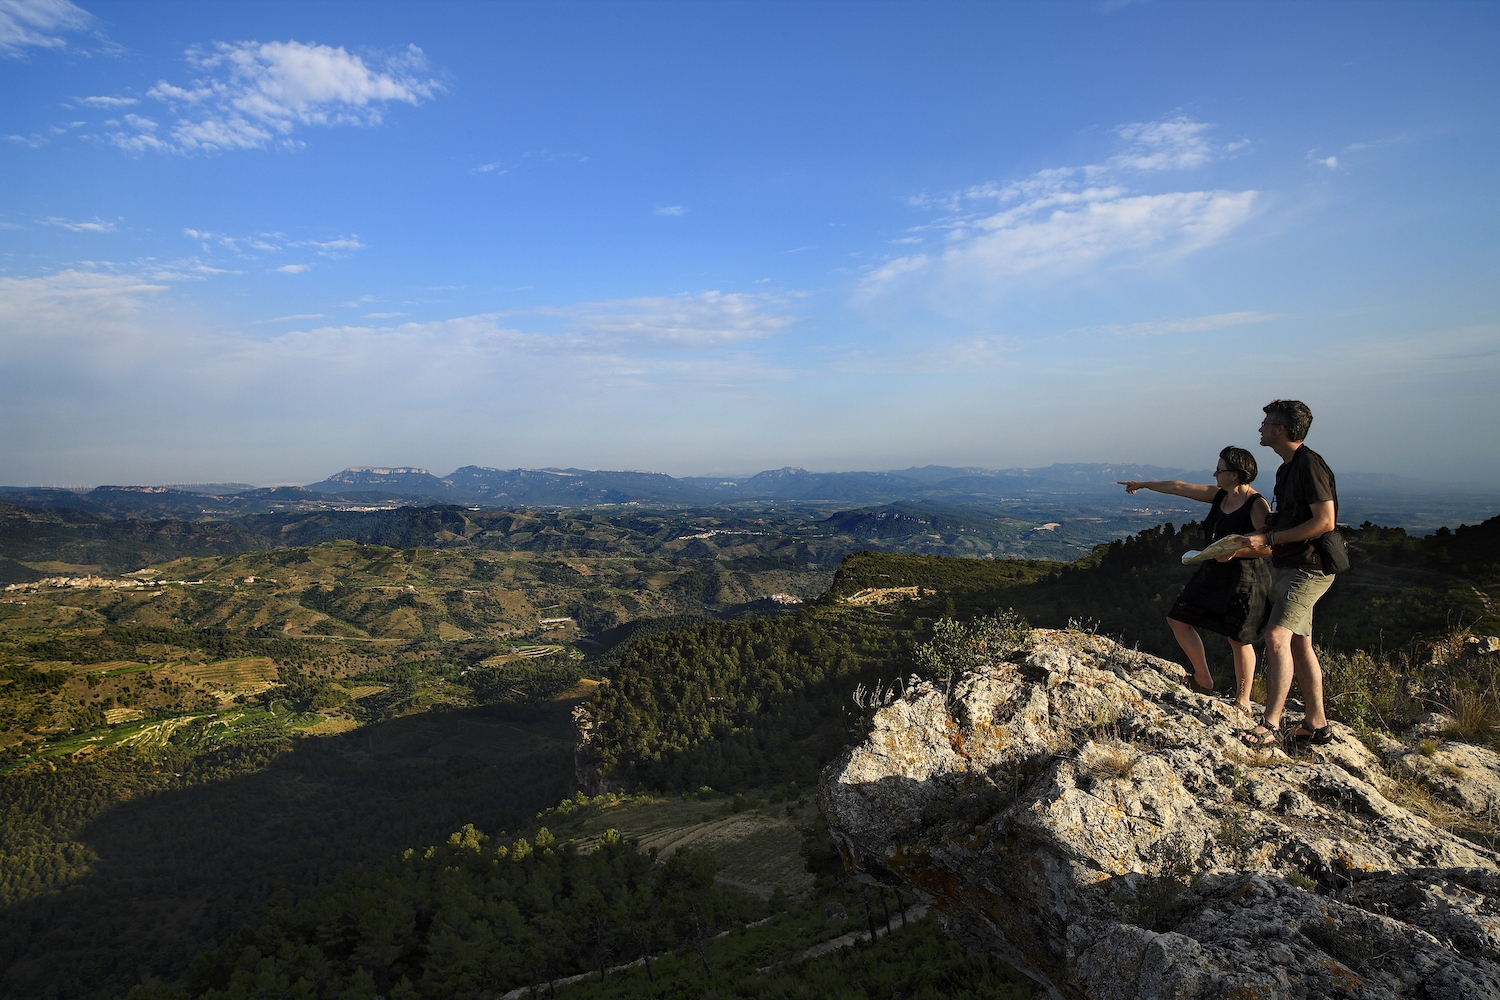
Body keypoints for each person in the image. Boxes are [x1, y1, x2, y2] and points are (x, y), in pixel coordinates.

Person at [1119, 446, 1272, 715]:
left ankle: (1243, 700)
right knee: (1178, 619)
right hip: (1213, 572)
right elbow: (1179, 487)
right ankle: (1203, 679)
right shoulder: (1218, 496)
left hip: (1246, 579)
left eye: (1220, 470)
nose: (1215, 474)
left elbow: (1269, 546)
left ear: (1235, 475)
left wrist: (1236, 551)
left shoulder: (1256, 504)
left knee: (1238, 639)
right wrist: (1142, 484)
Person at [1235, 399, 1339, 747]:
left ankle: (1271, 723)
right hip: (1294, 564)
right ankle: (1316, 723)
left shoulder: (1309, 465)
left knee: (1276, 637)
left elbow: (1325, 521)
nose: (1260, 428)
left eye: (1266, 422)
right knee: (1299, 642)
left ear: (1281, 429)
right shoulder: (1287, 468)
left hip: (1309, 567)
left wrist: (1271, 537)